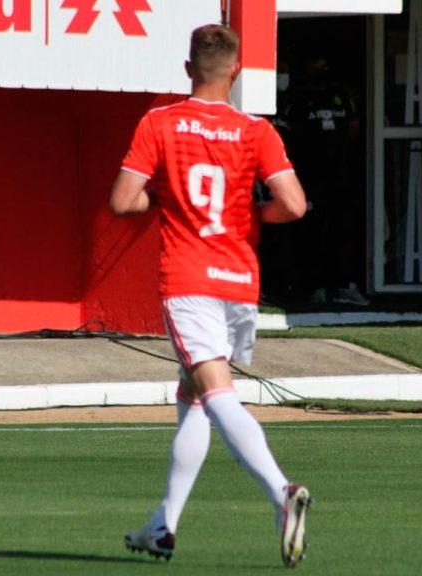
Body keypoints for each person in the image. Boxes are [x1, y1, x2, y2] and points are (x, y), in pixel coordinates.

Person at [109, 24, 312, 567]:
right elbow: (293, 205)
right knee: (193, 395)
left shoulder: (162, 122)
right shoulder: (256, 130)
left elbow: (122, 201)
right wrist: (250, 213)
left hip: (189, 277)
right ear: (236, 72)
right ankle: (163, 525)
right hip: (239, 280)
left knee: (215, 393)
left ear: (187, 69)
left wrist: (164, 201)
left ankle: (280, 492)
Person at [285, 53, 368, 306]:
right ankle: (314, 286)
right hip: (310, 176)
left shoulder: (340, 93)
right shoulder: (298, 96)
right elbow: (290, 134)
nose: (321, 70)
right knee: (312, 231)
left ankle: (343, 285)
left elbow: (354, 128)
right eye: (316, 65)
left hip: (340, 174)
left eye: (324, 65)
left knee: (342, 228)